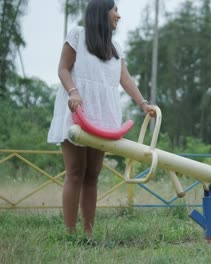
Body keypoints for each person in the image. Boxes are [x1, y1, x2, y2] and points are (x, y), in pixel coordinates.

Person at [47, 0, 156, 236]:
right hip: (77, 112)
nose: (119, 15)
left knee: (92, 175)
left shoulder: (115, 48)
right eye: (115, 10)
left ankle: (88, 233)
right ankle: (70, 234)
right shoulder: (77, 35)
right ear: (101, 11)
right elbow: (63, 68)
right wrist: (74, 92)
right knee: (75, 171)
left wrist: (143, 103)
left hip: (102, 117)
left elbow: (125, 79)